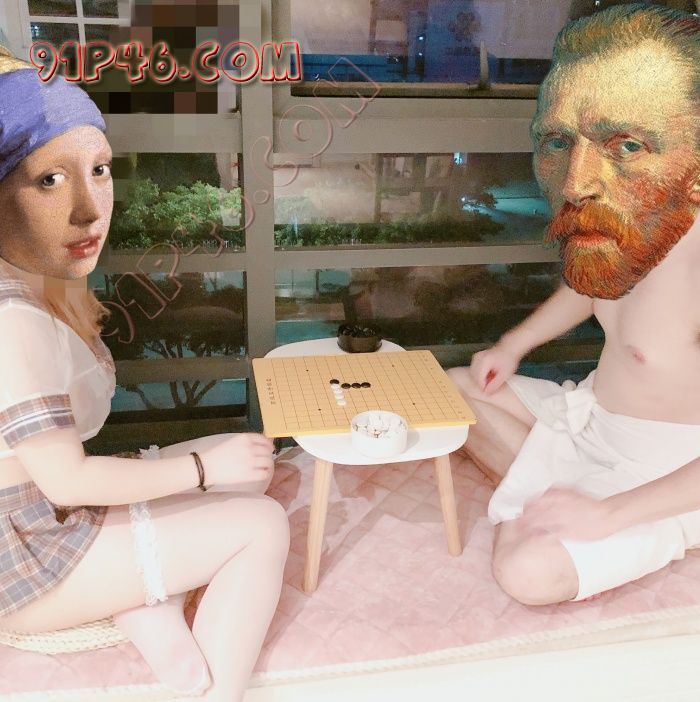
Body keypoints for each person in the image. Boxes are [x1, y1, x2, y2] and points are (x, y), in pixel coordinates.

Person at [0, 46, 290, 702]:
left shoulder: (39, 284)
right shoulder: (11, 317)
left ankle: (142, 602)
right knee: (262, 523)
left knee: (237, 464)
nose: (88, 208)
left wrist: (209, 465)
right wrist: (203, 470)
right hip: (28, 552)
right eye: (50, 179)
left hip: (49, 510)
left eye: (98, 170)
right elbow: (67, 479)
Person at [448, 3, 700, 605]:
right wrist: (512, 347)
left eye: (628, 144)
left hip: (663, 472)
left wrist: (610, 514)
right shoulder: (636, 221)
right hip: (589, 417)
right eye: (560, 142)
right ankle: (549, 489)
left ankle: (556, 503)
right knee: (455, 390)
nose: (575, 183)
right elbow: (589, 291)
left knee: (528, 575)